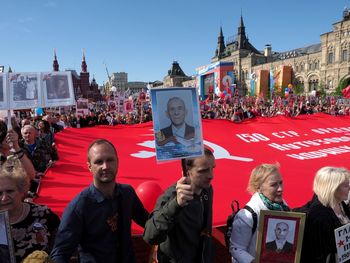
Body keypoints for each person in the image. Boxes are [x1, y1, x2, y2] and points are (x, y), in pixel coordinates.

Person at [50, 139, 149, 263]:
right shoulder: (79, 207)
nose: (105, 166)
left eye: (110, 160)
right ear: (89, 167)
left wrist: (175, 204)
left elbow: (150, 223)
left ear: (117, 162)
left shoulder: (127, 193)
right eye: (99, 162)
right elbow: (59, 253)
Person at [143, 148, 216, 262]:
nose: (211, 175)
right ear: (187, 172)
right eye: (203, 171)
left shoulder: (207, 190)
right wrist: (176, 205)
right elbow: (150, 236)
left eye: (212, 168)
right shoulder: (170, 197)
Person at [0, 157, 60, 262]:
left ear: (22, 190)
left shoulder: (43, 214)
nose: (4, 198)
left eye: (9, 191)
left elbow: (62, 248)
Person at [230, 163, 290, 263]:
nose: (280, 189)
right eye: (273, 185)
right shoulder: (247, 215)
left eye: (281, 183)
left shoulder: (283, 205)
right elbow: (236, 249)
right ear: (259, 187)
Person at [301, 167, 350, 263]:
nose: (349, 188)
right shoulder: (320, 216)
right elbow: (318, 255)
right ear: (333, 189)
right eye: (346, 186)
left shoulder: (339, 202)